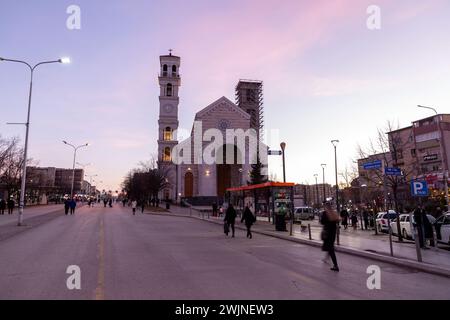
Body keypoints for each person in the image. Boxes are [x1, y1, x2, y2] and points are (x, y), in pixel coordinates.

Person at [320, 202, 340, 272]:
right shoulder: (333, 213)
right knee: (330, 247)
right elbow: (337, 221)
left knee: (330, 249)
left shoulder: (325, 213)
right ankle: (326, 258)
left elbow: (322, 222)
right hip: (333, 233)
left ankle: (336, 265)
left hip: (327, 233)